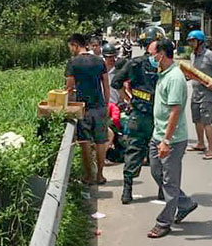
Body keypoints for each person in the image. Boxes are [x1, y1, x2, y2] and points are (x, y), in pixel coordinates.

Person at [146, 39, 198, 239]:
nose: (151, 58)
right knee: (156, 172)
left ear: (162, 54)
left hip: (172, 139)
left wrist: (166, 141)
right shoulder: (163, 73)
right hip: (157, 135)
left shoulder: (175, 77)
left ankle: (163, 222)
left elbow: (175, 111)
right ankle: (184, 203)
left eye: (152, 54)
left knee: (169, 182)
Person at [111, 26, 164, 205]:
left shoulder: (134, 64)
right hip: (158, 116)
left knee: (134, 150)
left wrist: (129, 98)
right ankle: (162, 190)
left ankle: (127, 190)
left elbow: (116, 81)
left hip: (139, 113)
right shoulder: (165, 64)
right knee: (160, 153)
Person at [65, 33, 110, 185]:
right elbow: (106, 84)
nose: (70, 50)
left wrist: (68, 107)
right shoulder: (99, 61)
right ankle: (100, 175)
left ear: (75, 45)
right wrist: (107, 104)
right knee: (100, 142)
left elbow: (69, 88)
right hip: (99, 106)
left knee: (84, 141)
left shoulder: (73, 63)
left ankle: (89, 176)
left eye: (71, 47)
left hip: (82, 107)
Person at [186, 30, 212, 160]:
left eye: (193, 41)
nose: (191, 43)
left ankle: (211, 149)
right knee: (197, 120)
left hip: (207, 93)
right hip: (196, 92)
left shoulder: (209, 55)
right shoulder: (193, 55)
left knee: (206, 121)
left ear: (200, 42)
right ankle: (200, 143)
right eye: (190, 41)